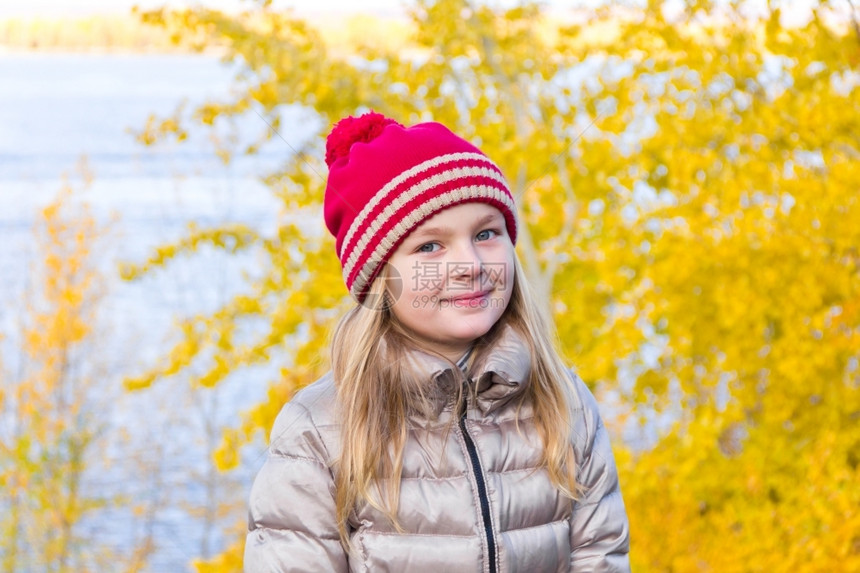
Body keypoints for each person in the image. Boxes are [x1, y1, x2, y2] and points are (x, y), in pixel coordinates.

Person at [244, 111, 630, 572]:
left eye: (486, 234)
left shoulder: (563, 402)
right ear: (379, 279)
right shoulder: (319, 431)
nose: (469, 264)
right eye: (430, 246)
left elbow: (600, 558)